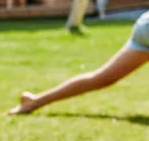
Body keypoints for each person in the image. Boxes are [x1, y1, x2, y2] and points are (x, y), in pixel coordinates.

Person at [8, 11, 149, 115]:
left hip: (145, 26)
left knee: (100, 78)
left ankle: (34, 101)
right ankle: (33, 101)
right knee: (101, 78)